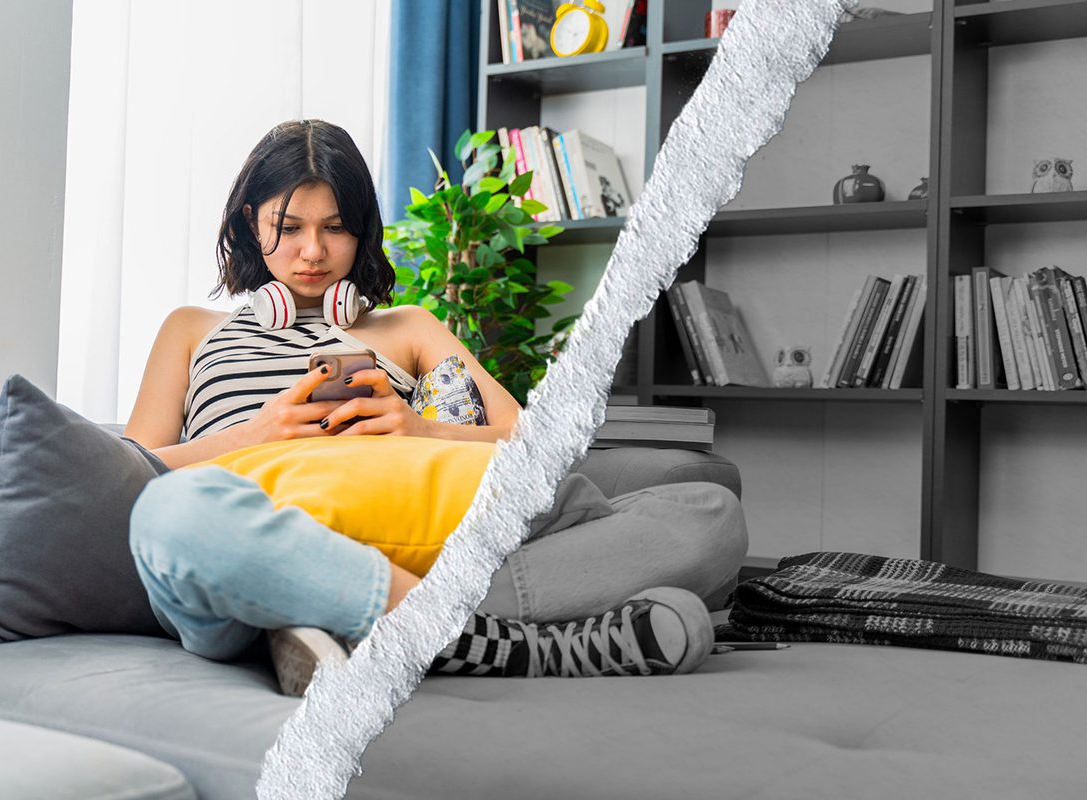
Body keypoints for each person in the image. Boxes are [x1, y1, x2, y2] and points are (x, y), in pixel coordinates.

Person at [123, 119, 748, 695]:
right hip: (258, 542)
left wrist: (419, 427)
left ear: (362, 231)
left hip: (420, 537)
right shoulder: (192, 329)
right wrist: (253, 434)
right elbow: (126, 470)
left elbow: (536, 443)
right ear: (249, 225)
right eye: (288, 228)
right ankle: (502, 640)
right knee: (172, 519)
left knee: (708, 514)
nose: (312, 251)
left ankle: (367, 627)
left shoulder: (408, 328)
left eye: (335, 227)